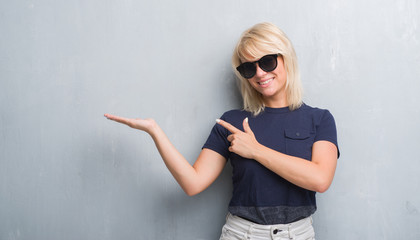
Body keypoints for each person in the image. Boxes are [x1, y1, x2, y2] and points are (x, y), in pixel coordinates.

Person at [105, 22, 339, 240]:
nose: (259, 73)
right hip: (241, 234)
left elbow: (320, 179)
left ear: (286, 58)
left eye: (267, 62)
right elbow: (192, 183)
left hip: (296, 234)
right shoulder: (231, 122)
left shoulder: (319, 119)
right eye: (249, 68)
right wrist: (155, 132)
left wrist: (256, 150)